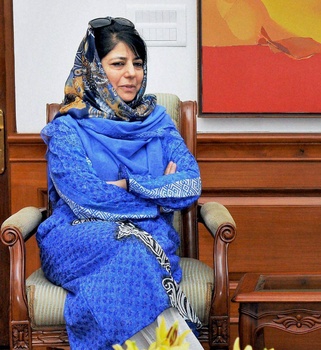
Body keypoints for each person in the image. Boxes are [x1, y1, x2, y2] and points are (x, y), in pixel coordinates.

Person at [37, 17, 203, 349]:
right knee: (134, 251)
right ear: (94, 69)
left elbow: (189, 185)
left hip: (147, 241)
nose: (131, 73)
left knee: (134, 251)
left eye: (137, 63)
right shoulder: (68, 128)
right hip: (76, 240)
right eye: (118, 63)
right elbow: (85, 198)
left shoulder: (158, 123)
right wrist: (158, 197)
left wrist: (129, 185)